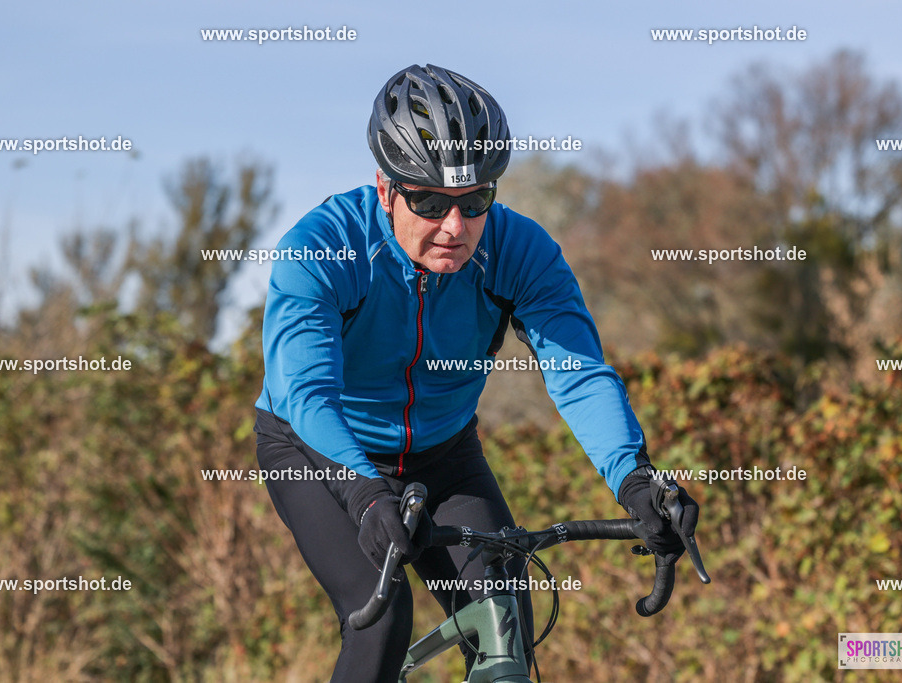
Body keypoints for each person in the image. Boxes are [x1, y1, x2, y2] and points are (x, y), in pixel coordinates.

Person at [254, 63, 699, 682]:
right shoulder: (323, 250)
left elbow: (579, 373)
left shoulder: (521, 251)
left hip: (442, 451)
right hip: (317, 452)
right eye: (430, 203)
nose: (454, 228)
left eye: (475, 202)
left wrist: (635, 479)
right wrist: (365, 494)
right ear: (386, 189)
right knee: (381, 617)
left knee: (504, 618)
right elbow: (307, 393)